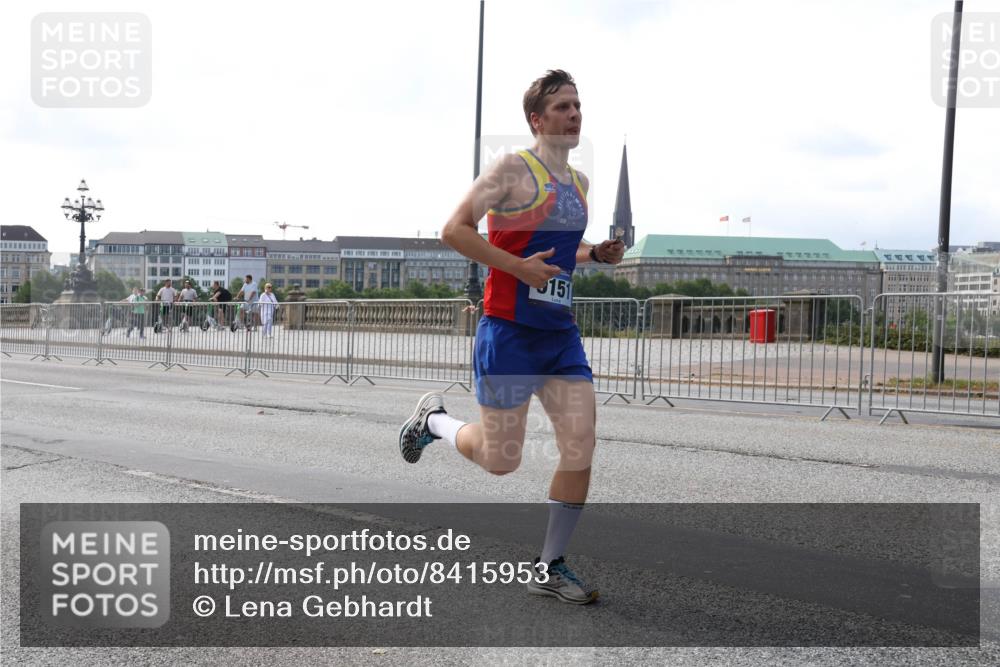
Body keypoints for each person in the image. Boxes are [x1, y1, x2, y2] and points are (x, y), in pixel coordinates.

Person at [398, 70, 624, 605]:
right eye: (563, 106)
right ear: (537, 120)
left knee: (581, 443)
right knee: (501, 460)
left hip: (559, 334)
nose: (574, 114)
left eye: (577, 105)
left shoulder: (579, 183)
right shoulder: (510, 170)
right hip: (508, 330)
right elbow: (454, 229)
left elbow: (562, 252)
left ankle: (549, 566)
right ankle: (434, 422)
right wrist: (517, 268)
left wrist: (595, 254)